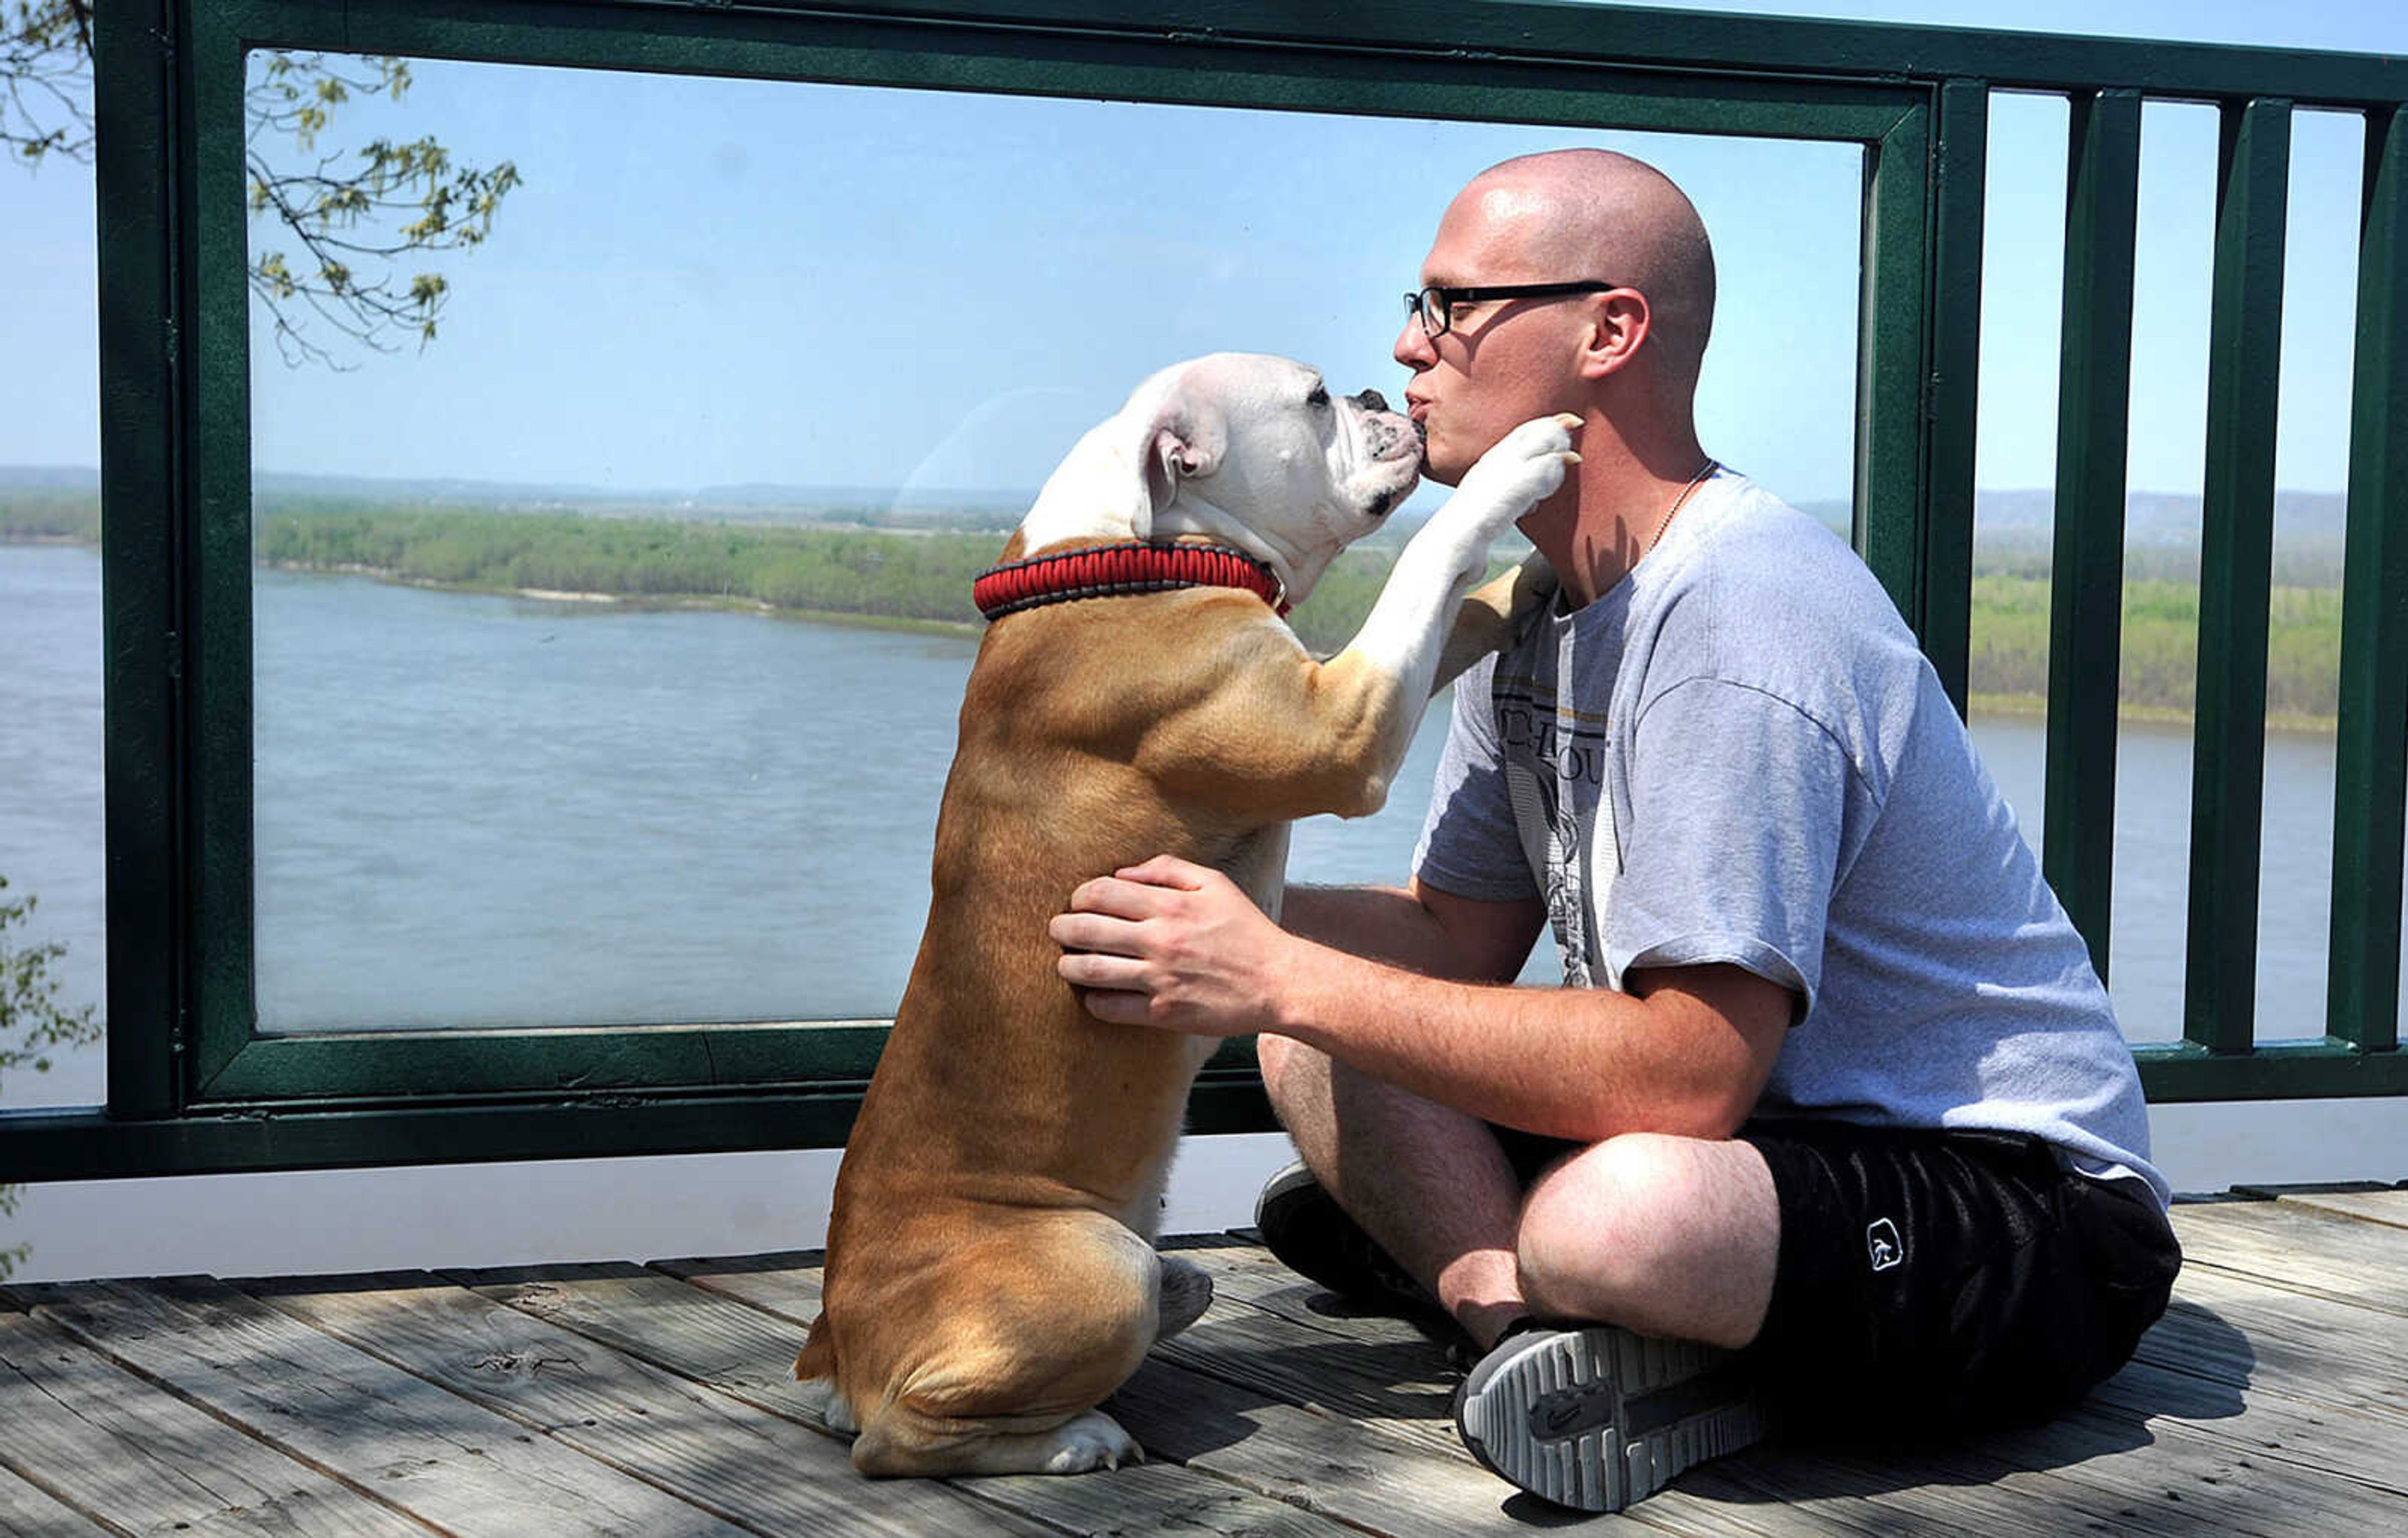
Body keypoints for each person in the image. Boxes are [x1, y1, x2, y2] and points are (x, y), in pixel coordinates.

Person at [1047, 149, 2182, 1514]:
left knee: (1615, 1213)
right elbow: (1454, 936)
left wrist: (1274, 969)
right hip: (1762, 1144)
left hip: (2023, 1212)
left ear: (1609, 330)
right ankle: (1525, 1340)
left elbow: (1693, 1071)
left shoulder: (1739, 621)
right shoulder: (1548, 603)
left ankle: (1540, 1261)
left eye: (1453, 306)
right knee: (1317, 1032)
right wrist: (1188, 912)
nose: (1409, 344)